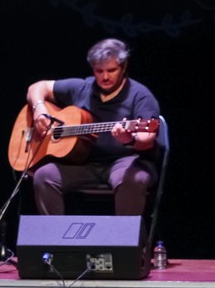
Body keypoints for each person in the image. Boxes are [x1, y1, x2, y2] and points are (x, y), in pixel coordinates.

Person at [25, 37, 160, 216]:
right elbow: (37, 87)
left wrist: (129, 139)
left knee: (133, 179)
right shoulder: (82, 87)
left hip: (124, 163)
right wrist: (39, 109)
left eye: (111, 70)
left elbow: (147, 140)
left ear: (124, 67)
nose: (105, 77)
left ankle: (128, 242)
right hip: (83, 163)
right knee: (44, 175)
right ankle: (57, 241)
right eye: (99, 71)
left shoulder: (140, 95)